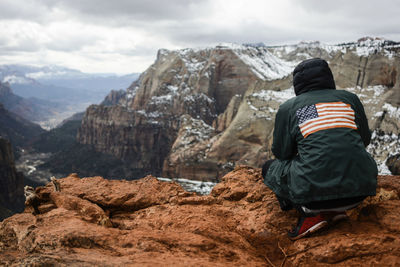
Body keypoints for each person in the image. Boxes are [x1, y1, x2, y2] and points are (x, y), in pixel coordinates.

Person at [262, 58, 377, 240]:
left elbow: (282, 153)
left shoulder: (290, 107)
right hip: (359, 192)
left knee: (269, 167)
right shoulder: (349, 99)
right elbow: (364, 140)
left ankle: (309, 214)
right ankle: (337, 212)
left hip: (314, 199)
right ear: (328, 78)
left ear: (297, 84)